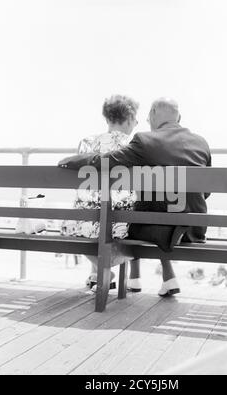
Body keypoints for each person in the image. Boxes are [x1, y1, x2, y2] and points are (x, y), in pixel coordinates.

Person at [59, 98, 212, 297]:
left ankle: (115, 275)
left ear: (154, 113)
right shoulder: (201, 142)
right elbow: (206, 192)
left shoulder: (146, 141)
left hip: (163, 229)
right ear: (179, 118)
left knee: (131, 214)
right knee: (139, 208)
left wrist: (71, 160)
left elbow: (107, 161)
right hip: (195, 229)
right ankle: (147, 278)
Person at [60, 94, 138, 291]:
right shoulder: (135, 145)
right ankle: (105, 270)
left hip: (83, 225)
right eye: (135, 119)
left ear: (107, 118)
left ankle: (98, 271)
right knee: (117, 211)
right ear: (129, 118)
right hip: (122, 226)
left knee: (89, 211)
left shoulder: (86, 142)